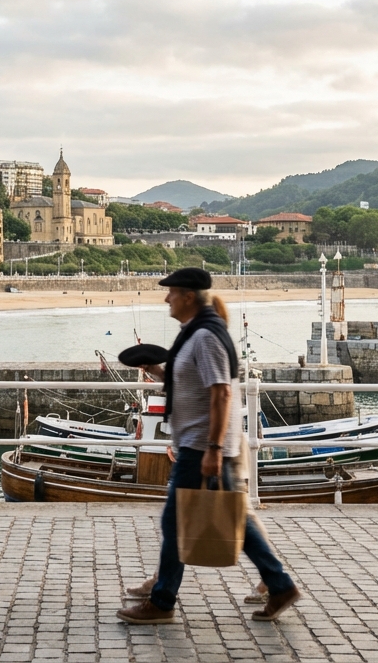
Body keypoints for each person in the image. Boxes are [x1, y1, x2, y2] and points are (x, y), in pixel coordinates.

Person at [116, 267, 300, 624]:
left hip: (204, 447)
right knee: (237, 522)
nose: (166, 299)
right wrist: (156, 370)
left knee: (176, 523)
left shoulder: (205, 336)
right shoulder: (195, 334)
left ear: (187, 297)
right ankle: (280, 585)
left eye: (171, 293)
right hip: (201, 445)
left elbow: (221, 392)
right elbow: (194, 381)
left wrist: (214, 449)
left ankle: (162, 602)